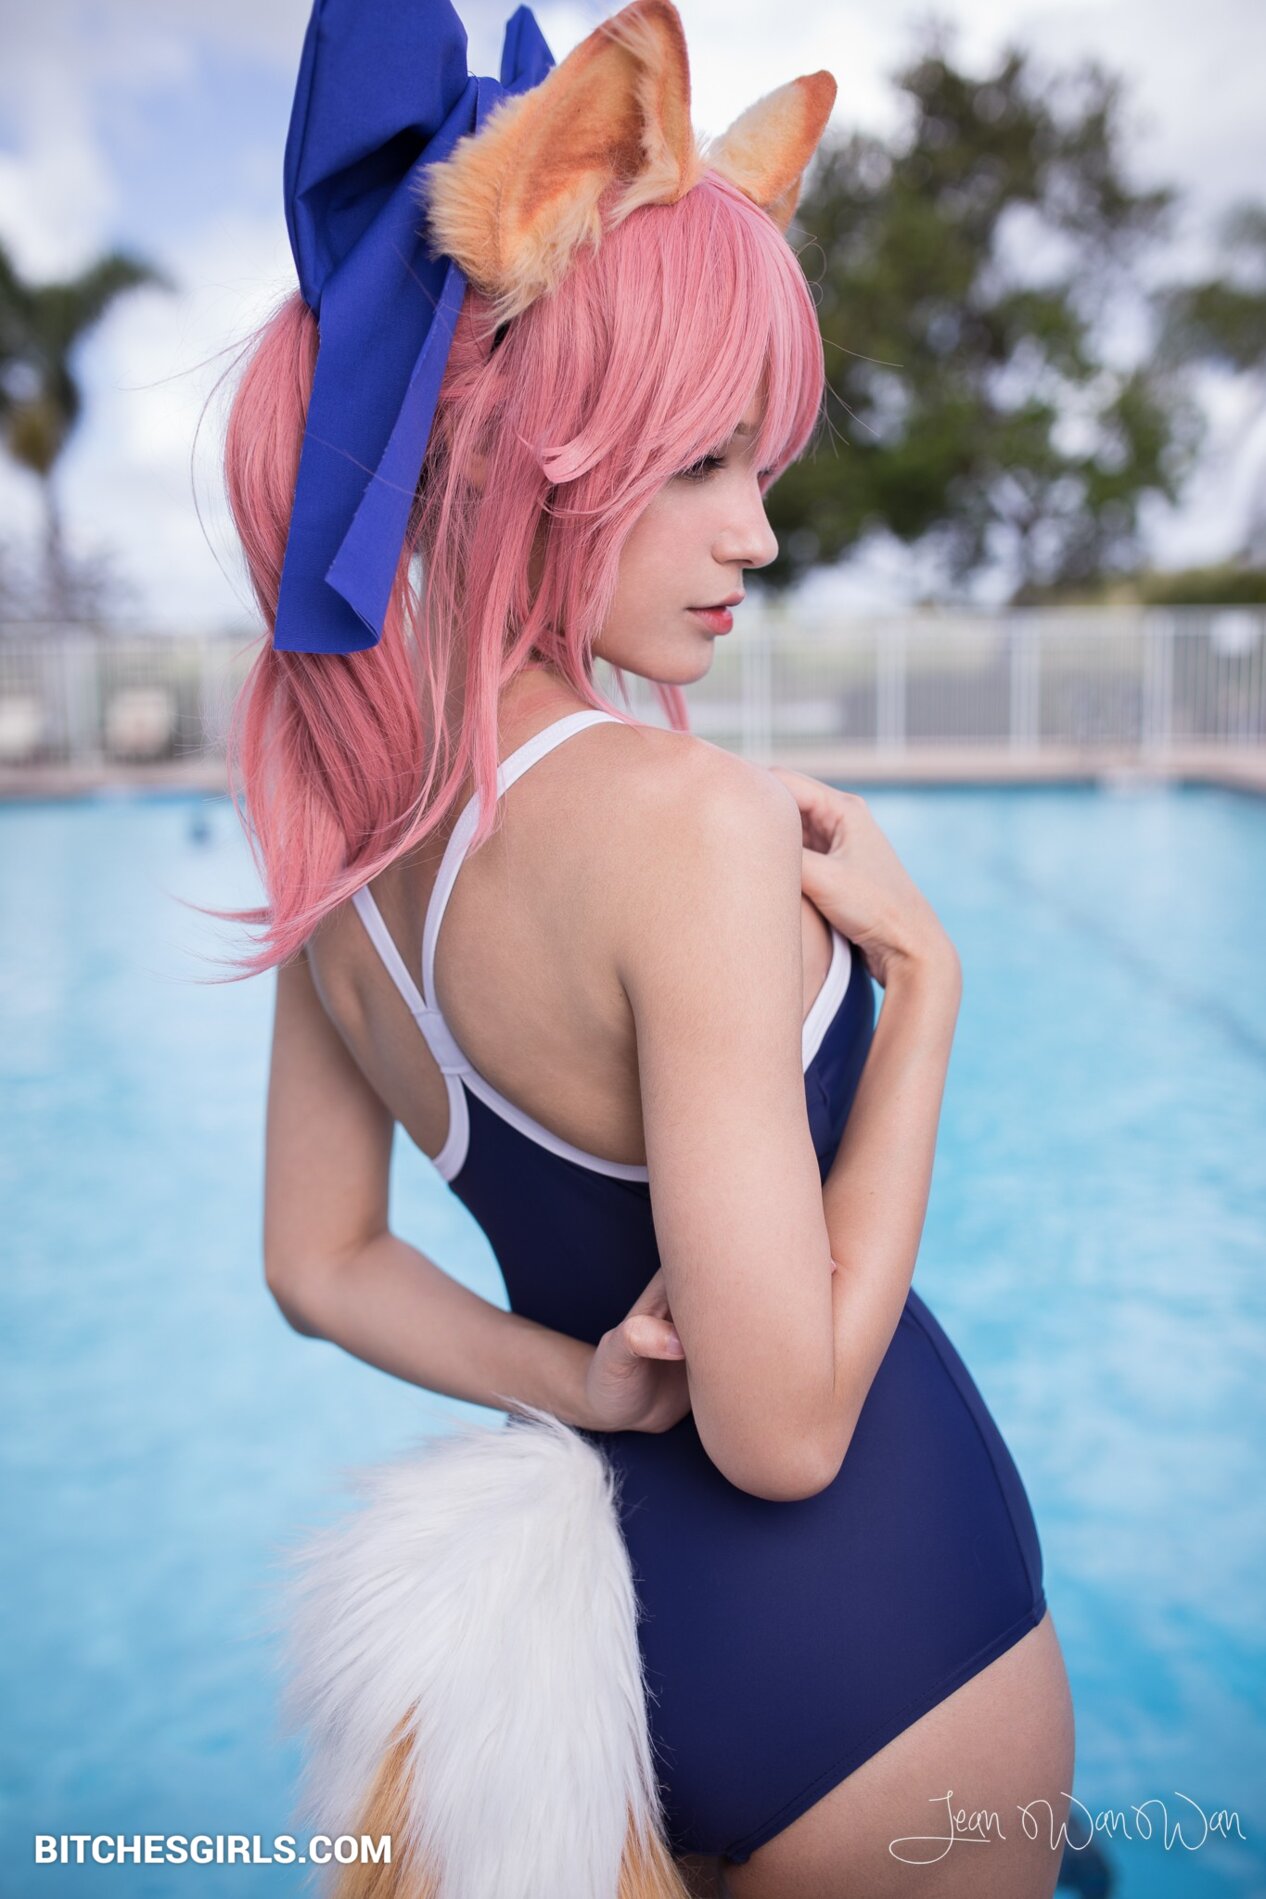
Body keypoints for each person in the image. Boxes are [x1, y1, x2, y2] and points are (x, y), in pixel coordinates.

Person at [213, 0, 1075, 1892]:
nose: (755, 534)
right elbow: (782, 1433)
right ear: (519, 451)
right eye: (698, 465)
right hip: (885, 1670)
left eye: (756, 467)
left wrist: (581, 1385)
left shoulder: (345, 845)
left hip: (613, 1690)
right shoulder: (684, 822)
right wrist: (926, 997)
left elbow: (317, 1263)